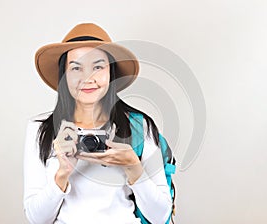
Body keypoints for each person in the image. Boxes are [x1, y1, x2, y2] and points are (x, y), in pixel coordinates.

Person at [24, 23, 172, 224]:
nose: (88, 78)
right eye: (76, 68)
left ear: (111, 72)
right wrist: (62, 173)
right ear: (64, 75)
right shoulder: (41, 130)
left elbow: (160, 216)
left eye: (98, 67)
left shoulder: (139, 126)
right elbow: (36, 220)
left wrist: (134, 168)